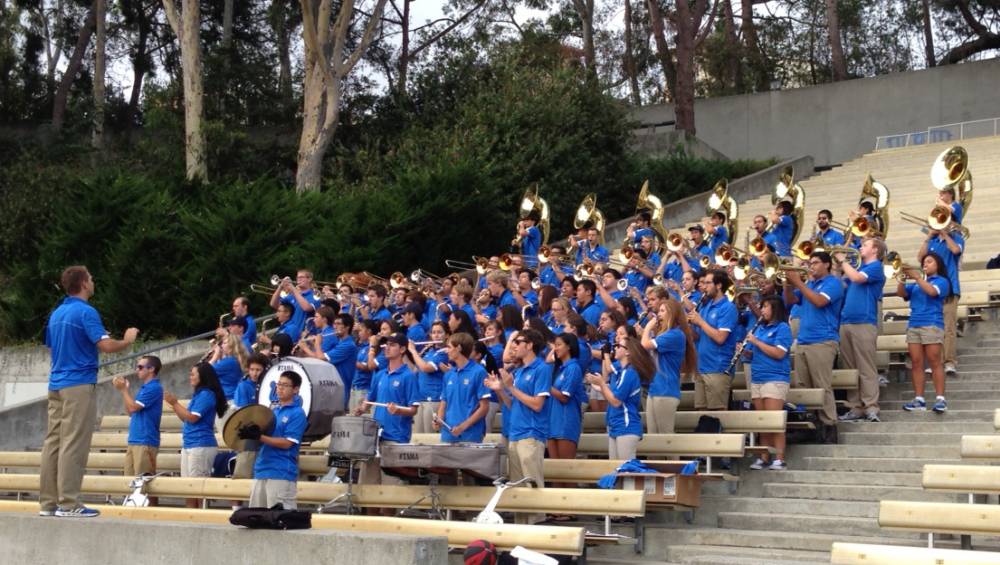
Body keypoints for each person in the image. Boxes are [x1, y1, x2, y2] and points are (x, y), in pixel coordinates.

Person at [40, 265, 139, 518]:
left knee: (53, 443)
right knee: (74, 442)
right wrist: (127, 340)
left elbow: (52, 348)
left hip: (56, 383)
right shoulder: (86, 312)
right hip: (79, 384)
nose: (93, 281)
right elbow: (105, 345)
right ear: (84, 283)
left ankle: (48, 504)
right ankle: (69, 503)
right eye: (91, 278)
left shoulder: (57, 313)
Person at [484, 329, 551, 524]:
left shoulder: (541, 368)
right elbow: (513, 405)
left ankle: (537, 527)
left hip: (531, 434)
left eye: (518, 341)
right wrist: (502, 390)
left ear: (529, 345)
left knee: (532, 486)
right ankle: (521, 531)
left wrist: (511, 387)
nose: (513, 345)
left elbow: (537, 405)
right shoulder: (519, 371)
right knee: (518, 491)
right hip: (515, 433)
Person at [783, 251, 844, 442]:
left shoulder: (833, 283)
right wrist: (787, 282)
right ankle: (812, 425)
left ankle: (829, 426)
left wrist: (798, 282)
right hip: (803, 340)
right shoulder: (810, 284)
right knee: (805, 387)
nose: (811, 266)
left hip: (823, 341)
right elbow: (791, 300)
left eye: (815, 263)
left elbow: (819, 301)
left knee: (821, 386)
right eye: (810, 263)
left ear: (827, 265)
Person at [354, 333, 421, 484]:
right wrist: (362, 408)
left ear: (403, 349)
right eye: (386, 345)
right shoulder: (379, 375)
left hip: (396, 438)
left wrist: (398, 410)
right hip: (375, 438)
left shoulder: (408, 376)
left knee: (391, 491)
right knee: (369, 487)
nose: (387, 348)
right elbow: (370, 399)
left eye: (392, 345)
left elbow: (413, 409)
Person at [836, 238, 886, 423]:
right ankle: (855, 407)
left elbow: (856, 278)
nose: (860, 247)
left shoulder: (875, 267)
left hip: (864, 321)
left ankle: (871, 407)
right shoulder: (858, 268)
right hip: (846, 321)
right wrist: (836, 268)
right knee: (850, 369)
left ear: (875, 250)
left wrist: (842, 261)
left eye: (865, 245)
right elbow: (840, 285)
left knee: (866, 368)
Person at [241, 370, 308, 509]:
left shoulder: (298, 413)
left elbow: (287, 443)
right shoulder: (273, 411)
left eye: (285, 385)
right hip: (261, 469)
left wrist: (260, 436)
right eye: (278, 384)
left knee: (279, 521)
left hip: (281, 472)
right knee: (256, 520)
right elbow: (262, 439)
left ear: (295, 389)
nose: (280, 388)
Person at [165, 362, 227, 508]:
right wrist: (175, 406)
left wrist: (175, 403)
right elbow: (186, 418)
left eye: (193, 374)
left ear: (202, 376)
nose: (190, 377)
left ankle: (199, 516)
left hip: (200, 445)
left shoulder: (207, 394)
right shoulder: (199, 394)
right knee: (188, 488)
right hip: (191, 444)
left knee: (197, 487)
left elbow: (193, 417)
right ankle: (190, 515)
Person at [742, 296, 793, 470]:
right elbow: (755, 353)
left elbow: (779, 353)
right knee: (762, 421)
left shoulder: (783, 328)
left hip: (775, 378)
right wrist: (745, 351)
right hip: (757, 378)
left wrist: (756, 342)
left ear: (775, 308)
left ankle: (779, 458)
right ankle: (763, 457)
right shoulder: (760, 329)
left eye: (765, 307)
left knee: (774, 420)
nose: (761, 310)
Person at [900, 253, 951, 413]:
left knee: (934, 361)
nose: (925, 264)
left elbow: (932, 292)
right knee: (916, 362)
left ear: (938, 265)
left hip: (932, 323)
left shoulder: (942, 281)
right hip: (914, 323)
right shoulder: (917, 283)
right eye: (924, 262)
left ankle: (940, 399)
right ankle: (919, 399)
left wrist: (917, 277)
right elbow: (901, 293)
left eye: (929, 261)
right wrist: (901, 277)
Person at [588, 336, 652, 460]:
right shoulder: (622, 372)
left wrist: (601, 384)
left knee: (625, 471)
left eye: (618, 346)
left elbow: (616, 401)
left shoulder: (630, 373)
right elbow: (612, 392)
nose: (615, 348)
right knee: (615, 470)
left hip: (626, 426)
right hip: (616, 424)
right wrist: (599, 386)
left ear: (628, 351)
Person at [641, 299, 697, 432]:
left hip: (666, 390)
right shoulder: (665, 334)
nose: (658, 314)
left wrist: (648, 327)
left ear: (672, 313)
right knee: (653, 438)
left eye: (662, 311)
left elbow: (645, 344)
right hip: (655, 388)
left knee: (666, 437)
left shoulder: (675, 334)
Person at [687, 269, 738, 411]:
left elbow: (721, 338)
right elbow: (698, 336)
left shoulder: (728, 308)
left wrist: (701, 322)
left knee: (716, 415)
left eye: (708, 283)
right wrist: (687, 326)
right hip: (701, 367)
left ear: (719, 285)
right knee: (700, 414)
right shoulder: (705, 306)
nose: (704, 286)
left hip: (718, 368)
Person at [918, 220, 964, 375]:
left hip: (950, 288)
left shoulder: (957, 237)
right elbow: (920, 258)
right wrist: (928, 236)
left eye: (942, 221)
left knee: (949, 327)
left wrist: (945, 233)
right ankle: (935, 361)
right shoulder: (931, 240)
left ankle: (950, 361)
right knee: (934, 328)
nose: (938, 224)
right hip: (933, 289)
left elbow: (956, 250)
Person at [112, 355, 163, 481]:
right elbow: (130, 411)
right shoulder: (145, 388)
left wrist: (123, 390)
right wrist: (124, 391)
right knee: (129, 483)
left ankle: (149, 502)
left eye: (140, 367)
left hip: (145, 441)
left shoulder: (154, 387)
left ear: (151, 369)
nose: (137, 370)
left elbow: (134, 408)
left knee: (144, 484)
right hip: (135, 440)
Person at [435, 332, 491, 442]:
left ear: (459, 348)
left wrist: (462, 427)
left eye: (449, 347)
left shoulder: (479, 372)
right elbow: (444, 403)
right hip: (448, 436)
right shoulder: (449, 374)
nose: (447, 350)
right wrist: (439, 421)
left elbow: (484, 407)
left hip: (470, 436)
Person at [546, 333, 586, 485]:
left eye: (558, 345)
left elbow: (564, 397)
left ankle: (570, 509)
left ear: (569, 346)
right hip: (553, 422)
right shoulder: (559, 368)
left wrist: (546, 386)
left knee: (567, 473)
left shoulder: (573, 368)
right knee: (556, 474)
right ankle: (557, 509)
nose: (555, 349)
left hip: (566, 422)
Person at [232, 354, 269, 483]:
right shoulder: (243, 386)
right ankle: (236, 504)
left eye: (258, 370)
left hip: (265, 438)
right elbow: (243, 413)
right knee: (242, 478)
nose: (254, 373)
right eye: (252, 369)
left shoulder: (268, 385)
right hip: (248, 439)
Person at [409, 321, 451, 433]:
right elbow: (414, 370)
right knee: (419, 436)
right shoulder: (429, 351)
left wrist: (413, 351)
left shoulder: (445, 352)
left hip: (434, 399)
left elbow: (426, 368)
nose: (436, 335)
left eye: (439, 332)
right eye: (433, 332)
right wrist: (405, 352)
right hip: (421, 398)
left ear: (447, 335)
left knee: (430, 436)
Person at [269, 270, 320, 340]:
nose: (299, 279)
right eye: (297, 278)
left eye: (302, 277)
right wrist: (280, 287)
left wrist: (293, 288)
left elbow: (306, 308)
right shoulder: (292, 296)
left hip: (306, 337)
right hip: (291, 333)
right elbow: (273, 304)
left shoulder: (315, 295)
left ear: (309, 279)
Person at [209, 333, 248, 401]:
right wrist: (219, 356)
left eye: (224, 343)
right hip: (233, 395)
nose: (221, 345)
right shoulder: (234, 360)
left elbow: (204, 371)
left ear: (231, 346)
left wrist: (215, 355)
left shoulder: (229, 362)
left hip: (228, 398)